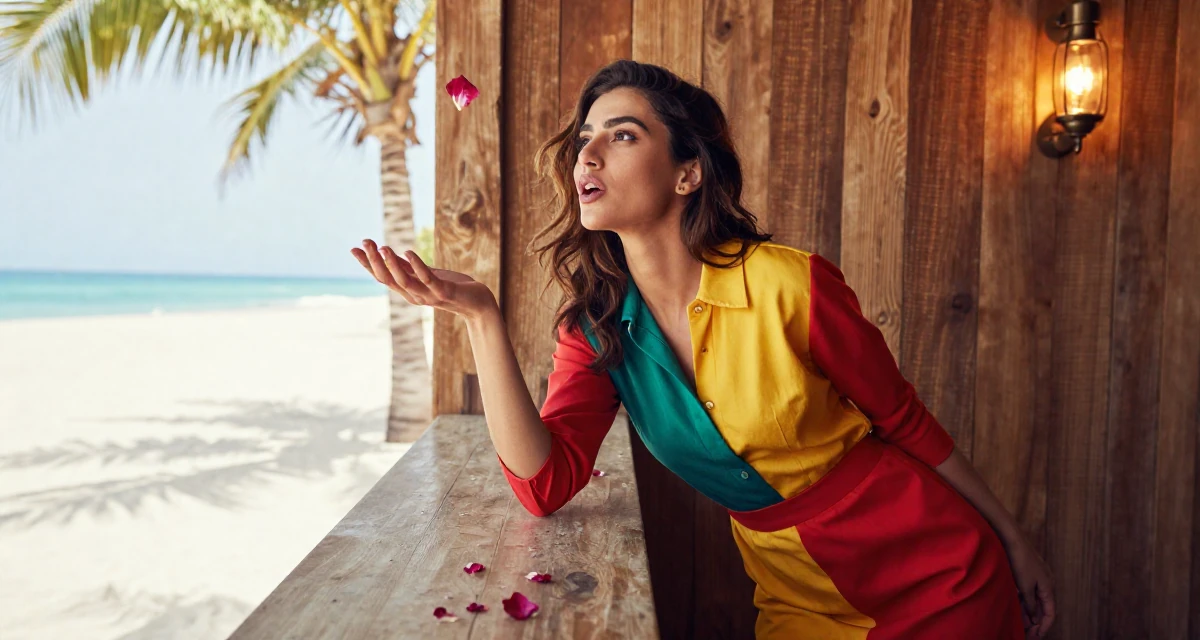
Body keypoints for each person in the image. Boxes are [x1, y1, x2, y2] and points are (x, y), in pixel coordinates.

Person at [351, 59, 1055, 640]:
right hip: (796, 600)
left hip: (939, 580)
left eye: (622, 136)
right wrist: (480, 318)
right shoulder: (597, 331)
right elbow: (544, 487)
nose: (587, 155)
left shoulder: (790, 283)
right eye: (584, 139)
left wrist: (1014, 538)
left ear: (688, 173)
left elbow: (902, 420)